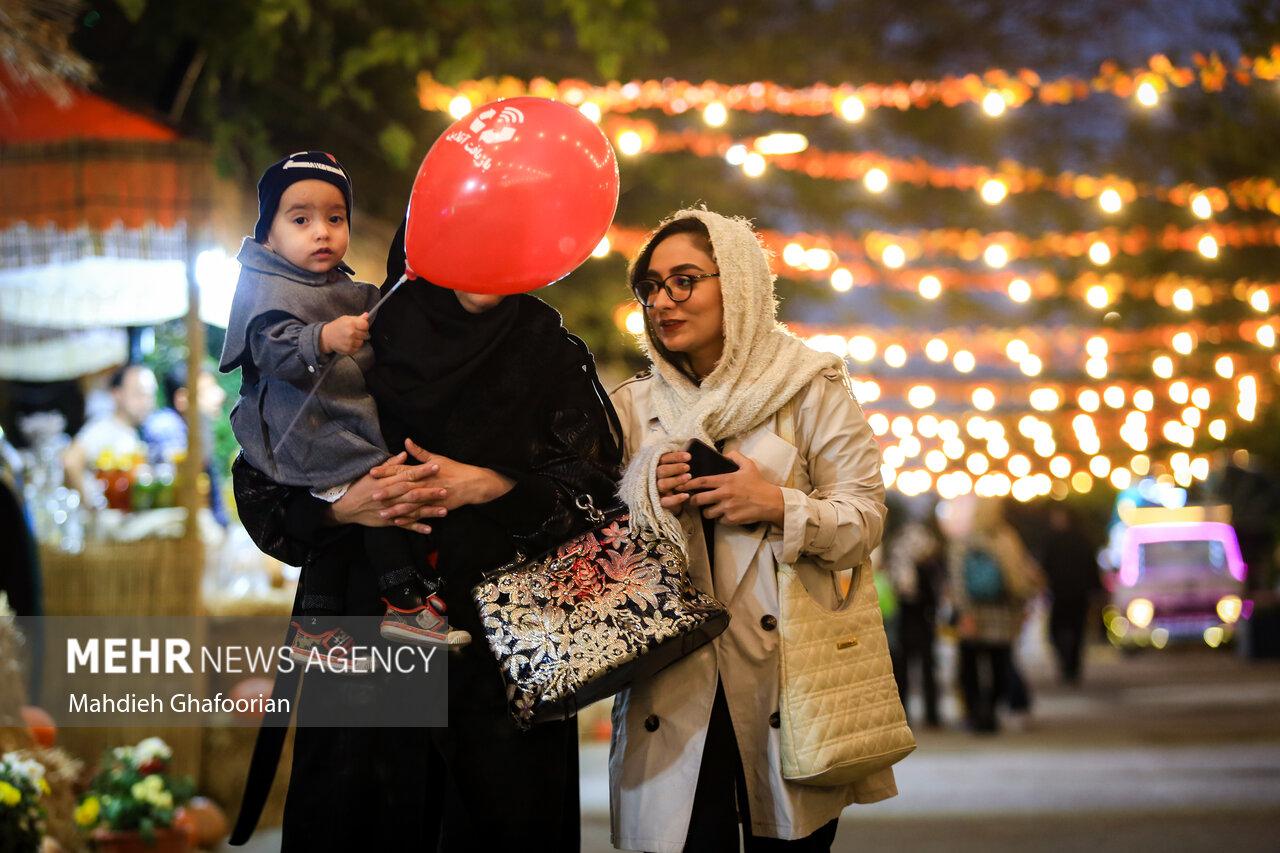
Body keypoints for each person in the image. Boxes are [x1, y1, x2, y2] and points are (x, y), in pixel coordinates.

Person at [229, 216, 622, 850]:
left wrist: (492, 486)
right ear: (423, 250)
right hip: (367, 640)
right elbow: (263, 477)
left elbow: (598, 488)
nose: (484, 261)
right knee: (367, 822)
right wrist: (341, 508)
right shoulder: (358, 333)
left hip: (506, 650)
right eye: (466, 241)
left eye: (502, 242)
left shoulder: (546, 350)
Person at [609, 209, 894, 853]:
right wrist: (645, 497)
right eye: (651, 286)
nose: (664, 301)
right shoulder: (634, 405)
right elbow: (601, 546)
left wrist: (776, 504)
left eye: (684, 280)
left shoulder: (809, 388)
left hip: (785, 675)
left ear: (735, 282)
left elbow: (864, 517)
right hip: (672, 682)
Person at [219, 151, 460, 654]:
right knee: (377, 485)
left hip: (330, 427)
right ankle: (405, 603)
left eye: (335, 218)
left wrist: (405, 291)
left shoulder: (340, 289)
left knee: (350, 518)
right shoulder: (266, 287)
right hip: (299, 431)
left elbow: (378, 309)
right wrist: (323, 337)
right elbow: (271, 347)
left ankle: (315, 629)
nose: (322, 232)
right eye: (301, 219)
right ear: (268, 235)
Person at [944, 496, 1041, 734]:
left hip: (973, 616)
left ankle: (976, 713)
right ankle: (990, 710)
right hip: (1002, 616)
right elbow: (1019, 579)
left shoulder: (964, 541)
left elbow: (957, 582)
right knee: (1000, 665)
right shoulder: (1008, 539)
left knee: (970, 668)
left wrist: (963, 613)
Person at [141, 364, 230, 526]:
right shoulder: (166, 426)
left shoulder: (194, 427)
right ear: (182, 399)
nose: (220, 394)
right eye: (209, 389)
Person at [886, 504, 945, 728]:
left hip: (905, 615)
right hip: (923, 616)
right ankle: (931, 715)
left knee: (903, 667)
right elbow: (935, 587)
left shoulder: (896, 547)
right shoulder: (931, 551)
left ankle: (904, 714)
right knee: (926, 667)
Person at [63, 363, 155, 494]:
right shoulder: (102, 428)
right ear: (117, 394)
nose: (146, 402)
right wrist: (91, 504)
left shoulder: (130, 431)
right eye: (138, 394)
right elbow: (70, 462)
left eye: (150, 395)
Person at [1040, 505, 1099, 685]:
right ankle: (1069, 664)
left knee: (1074, 631)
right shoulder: (1057, 540)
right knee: (1061, 631)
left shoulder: (1078, 540)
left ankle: (1071, 666)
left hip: (1072, 593)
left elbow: (1091, 566)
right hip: (1064, 593)